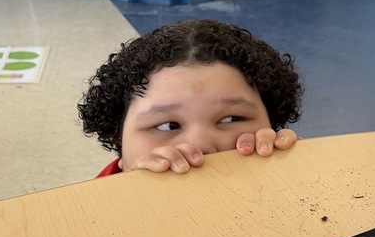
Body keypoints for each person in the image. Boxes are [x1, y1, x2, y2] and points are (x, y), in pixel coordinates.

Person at [79, 19, 303, 177]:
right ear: (120, 141)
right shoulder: (92, 213)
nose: (200, 145)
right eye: (168, 125)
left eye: (232, 119)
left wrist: (301, 174)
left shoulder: (287, 182)